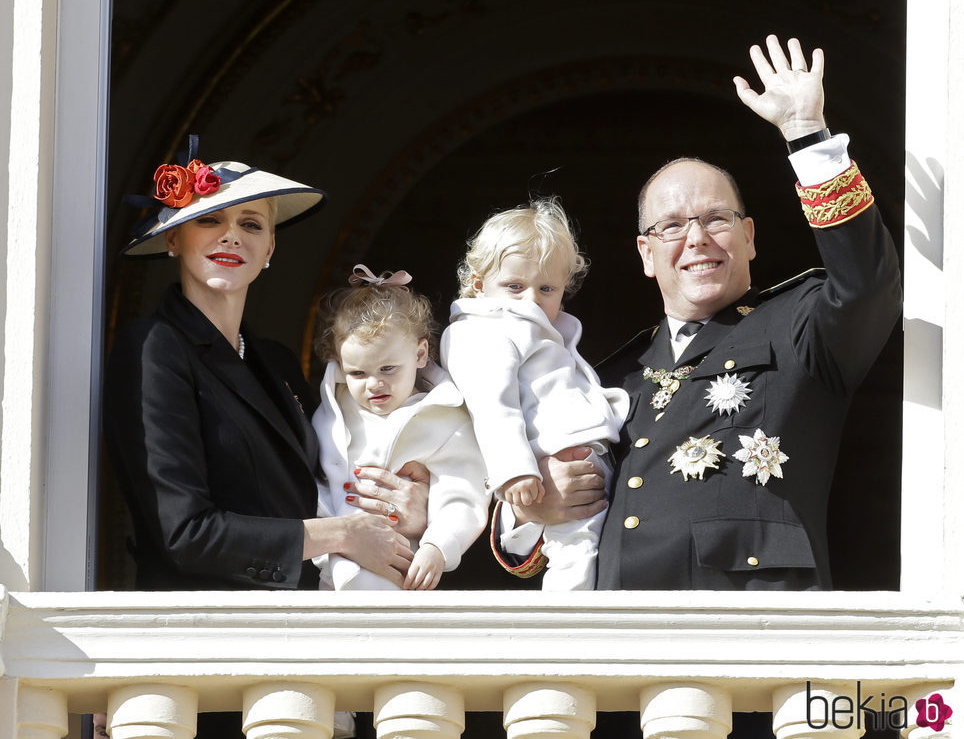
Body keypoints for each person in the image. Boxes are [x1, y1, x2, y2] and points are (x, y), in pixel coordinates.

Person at [492, 35, 902, 596]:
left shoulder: (801, 328)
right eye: (672, 226)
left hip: (752, 634)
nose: (697, 239)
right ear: (645, 253)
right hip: (622, 636)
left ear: (750, 236)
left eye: (716, 219)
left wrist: (808, 136)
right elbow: (552, 524)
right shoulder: (614, 376)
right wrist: (538, 505)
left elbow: (866, 285)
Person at [103, 138, 430, 737]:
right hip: (207, 663)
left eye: (251, 224)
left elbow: (335, 475)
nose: (232, 237)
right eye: (210, 220)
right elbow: (182, 532)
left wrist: (409, 499)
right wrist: (343, 535)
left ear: (271, 248)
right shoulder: (153, 348)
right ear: (174, 238)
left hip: (301, 651)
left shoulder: (278, 362)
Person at [441, 199, 629, 590]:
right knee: (575, 550)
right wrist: (514, 468)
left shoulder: (542, 328)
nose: (530, 299)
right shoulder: (479, 330)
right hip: (548, 457)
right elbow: (492, 405)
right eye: (514, 286)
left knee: (589, 547)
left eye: (546, 288)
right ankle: (568, 635)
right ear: (479, 284)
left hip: (576, 448)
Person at [310, 264, 488, 591]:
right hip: (335, 580)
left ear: (420, 354)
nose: (374, 384)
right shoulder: (333, 413)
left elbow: (463, 490)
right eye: (358, 374)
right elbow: (314, 484)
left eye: (388, 368)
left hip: (404, 574)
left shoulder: (445, 417)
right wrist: (328, 545)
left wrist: (439, 545)